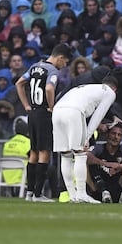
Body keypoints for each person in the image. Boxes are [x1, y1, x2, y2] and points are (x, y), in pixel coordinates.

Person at [15, 43, 72, 202]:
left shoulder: (34, 67)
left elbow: (19, 83)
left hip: (32, 113)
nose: (63, 66)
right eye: (65, 62)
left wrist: (26, 105)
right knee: (44, 152)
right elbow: (48, 88)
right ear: (60, 58)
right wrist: (52, 107)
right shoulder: (52, 71)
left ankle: (29, 192)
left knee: (33, 153)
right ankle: (38, 194)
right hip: (44, 114)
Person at [52, 75, 119, 204]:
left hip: (57, 111)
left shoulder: (87, 88)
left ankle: (72, 195)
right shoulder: (110, 92)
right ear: (115, 88)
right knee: (81, 153)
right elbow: (98, 116)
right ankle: (82, 194)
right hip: (74, 112)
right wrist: (87, 136)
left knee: (65, 155)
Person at [87, 121, 122, 203]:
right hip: (99, 188)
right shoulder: (99, 148)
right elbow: (87, 157)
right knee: (92, 162)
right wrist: (106, 164)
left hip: (117, 187)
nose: (116, 137)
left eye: (119, 135)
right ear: (107, 135)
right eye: (113, 133)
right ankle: (103, 192)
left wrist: (120, 166)